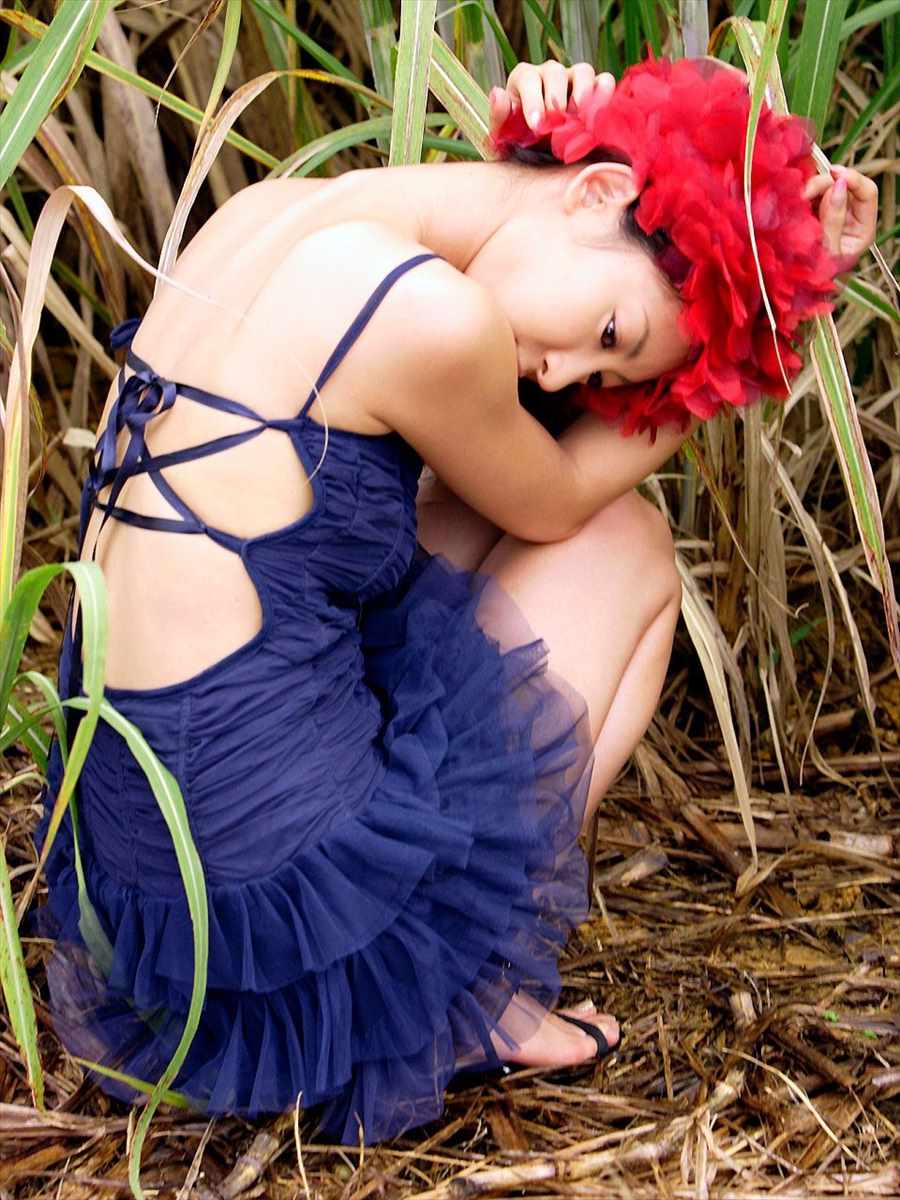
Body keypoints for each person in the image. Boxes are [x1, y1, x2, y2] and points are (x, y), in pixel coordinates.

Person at [32, 52, 876, 1144]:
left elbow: (482, 462)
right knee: (628, 545)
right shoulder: (432, 317)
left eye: (603, 376)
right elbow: (558, 499)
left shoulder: (272, 214)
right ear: (595, 188)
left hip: (145, 893)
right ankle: (466, 981)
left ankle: (435, 929)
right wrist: (758, 342)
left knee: (447, 516)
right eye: (610, 338)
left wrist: (760, 266)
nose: (567, 375)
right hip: (276, 932)